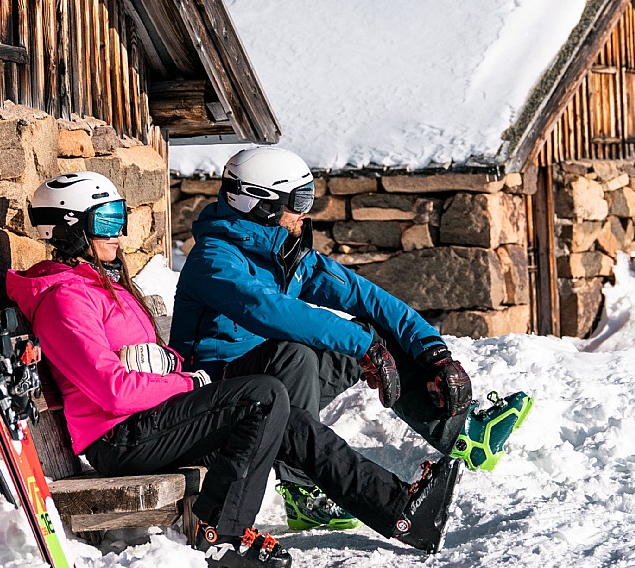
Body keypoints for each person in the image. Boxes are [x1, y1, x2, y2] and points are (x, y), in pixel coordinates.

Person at [9, 171, 462, 568]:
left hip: (151, 420)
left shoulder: (100, 285)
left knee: (283, 408)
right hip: (121, 439)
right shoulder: (66, 298)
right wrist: (191, 382)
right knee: (262, 396)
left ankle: (402, 511)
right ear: (70, 229)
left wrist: (164, 363)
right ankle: (222, 535)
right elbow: (112, 389)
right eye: (106, 222)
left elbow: (137, 363)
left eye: (120, 217)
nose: (120, 233)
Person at [171, 147, 533, 533]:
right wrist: (360, 344)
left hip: (272, 391)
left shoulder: (281, 255)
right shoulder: (214, 260)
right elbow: (269, 310)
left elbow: (366, 297)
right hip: (218, 409)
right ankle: (302, 491)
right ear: (261, 203)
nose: (306, 212)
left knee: (375, 333)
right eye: (298, 201)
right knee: (295, 353)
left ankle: (461, 433)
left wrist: (434, 352)